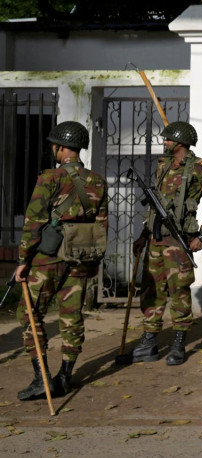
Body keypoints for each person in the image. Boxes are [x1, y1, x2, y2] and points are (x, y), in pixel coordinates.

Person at [15, 121, 108, 399]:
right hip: (81, 256)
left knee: (29, 314)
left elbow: (33, 221)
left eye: (54, 146)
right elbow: (102, 225)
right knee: (72, 316)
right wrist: (93, 260)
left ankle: (41, 378)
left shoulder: (49, 178)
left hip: (48, 258)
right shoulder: (98, 181)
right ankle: (65, 376)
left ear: (61, 148)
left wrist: (23, 259)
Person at [131, 121, 202, 365]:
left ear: (180, 142)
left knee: (179, 290)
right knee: (151, 290)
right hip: (155, 238)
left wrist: (201, 236)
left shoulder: (200, 168)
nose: (165, 142)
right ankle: (149, 341)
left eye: (168, 139)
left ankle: (179, 342)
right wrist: (143, 235)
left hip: (178, 240)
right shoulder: (163, 166)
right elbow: (154, 205)